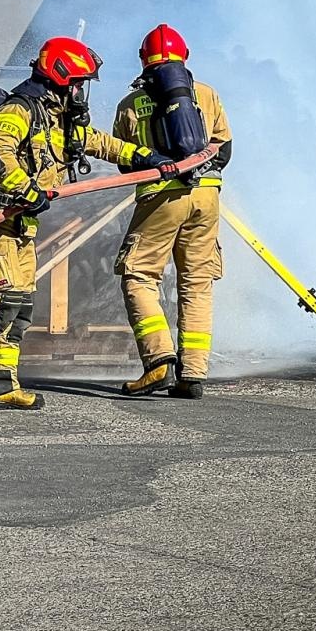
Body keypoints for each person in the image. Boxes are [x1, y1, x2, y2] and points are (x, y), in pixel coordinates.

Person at [0, 36, 175, 411]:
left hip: (22, 222)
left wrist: (147, 157)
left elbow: (98, 143)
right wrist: (23, 187)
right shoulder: (20, 109)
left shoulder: (58, 115)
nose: (82, 92)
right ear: (60, 75)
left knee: (19, 304)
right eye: (79, 82)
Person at [113, 24, 232, 400]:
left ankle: (158, 361)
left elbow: (125, 162)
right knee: (197, 283)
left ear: (144, 60)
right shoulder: (206, 94)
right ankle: (193, 374)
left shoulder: (131, 104)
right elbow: (224, 151)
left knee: (140, 275)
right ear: (186, 57)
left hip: (161, 199)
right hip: (207, 199)